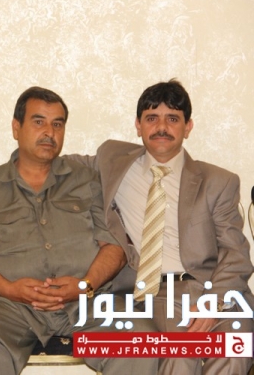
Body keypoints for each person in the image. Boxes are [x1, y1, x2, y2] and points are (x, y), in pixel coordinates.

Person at [0, 86, 158, 375]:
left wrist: (85, 285)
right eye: (39, 122)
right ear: (16, 127)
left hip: (88, 303)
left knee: (139, 339)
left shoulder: (88, 181)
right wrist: (9, 289)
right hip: (8, 306)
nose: (49, 132)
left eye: (57, 124)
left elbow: (114, 245)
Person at [70, 79, 253, 374]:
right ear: (138, 125)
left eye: (173, 119)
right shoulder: (112, 160)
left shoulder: (218, 181)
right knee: (180, 355)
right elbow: (51, 166)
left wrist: (213, 302)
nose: (162, 127)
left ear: (188, 127)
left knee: (233, 350)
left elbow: (236, 254)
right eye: (152, 118)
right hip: (159, 293)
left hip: (218, 290)